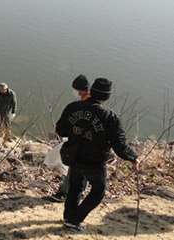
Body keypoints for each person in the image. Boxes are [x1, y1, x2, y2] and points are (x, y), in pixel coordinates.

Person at [55, 78, 139, 231]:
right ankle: (73, 220)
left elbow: (61, 130)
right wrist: (133, 157)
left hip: (73, 157)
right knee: (98, 192)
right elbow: (119, 145)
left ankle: (68, 217)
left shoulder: (73, 107)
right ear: (106, 97)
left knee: (75, 188)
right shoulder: (110, 117)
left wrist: (76, 133)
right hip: (94, 163)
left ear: (91, 91)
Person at [50, 74, 90, 202]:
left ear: (80, 90)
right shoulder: (100, 109)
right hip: (91, 147)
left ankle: (65, 193)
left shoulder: (74, 108)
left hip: (76, 146)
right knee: (86, 173)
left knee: (71, 172)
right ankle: (80, 192)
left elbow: (61, 129)